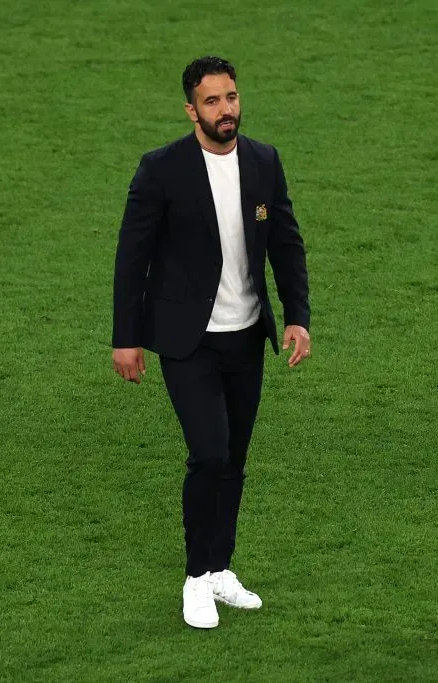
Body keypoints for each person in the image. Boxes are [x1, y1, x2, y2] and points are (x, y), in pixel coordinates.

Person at [111, 56, 311, 629]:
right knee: (211, 453)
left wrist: (297, 317)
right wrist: (127, 339)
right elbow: (133, 261)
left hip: (247, 337)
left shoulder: (264, 161)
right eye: (213, 101)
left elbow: (286, 245)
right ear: (191, 110)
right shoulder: (162, 170)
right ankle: (197, 579)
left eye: (232, 97)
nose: (227, 110)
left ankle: (221, 566)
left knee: (236, 459)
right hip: (187, 341)